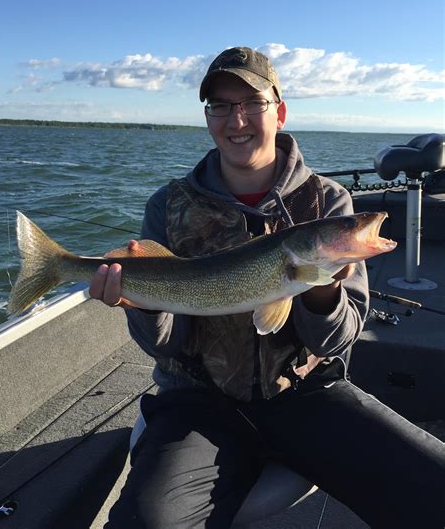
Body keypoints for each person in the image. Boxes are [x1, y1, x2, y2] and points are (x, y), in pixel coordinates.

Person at [90, 47, 445, 528]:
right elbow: (164, 344)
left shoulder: (329, 200)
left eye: (251, 103)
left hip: (305, 394)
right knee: (145, 522)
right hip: (197, 404)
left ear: (278, 111)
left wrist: (321, 291)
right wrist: (143, 303)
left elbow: (335, 341)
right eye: (220, 105)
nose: (236, 119)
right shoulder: (168, 205)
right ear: (209, 118)